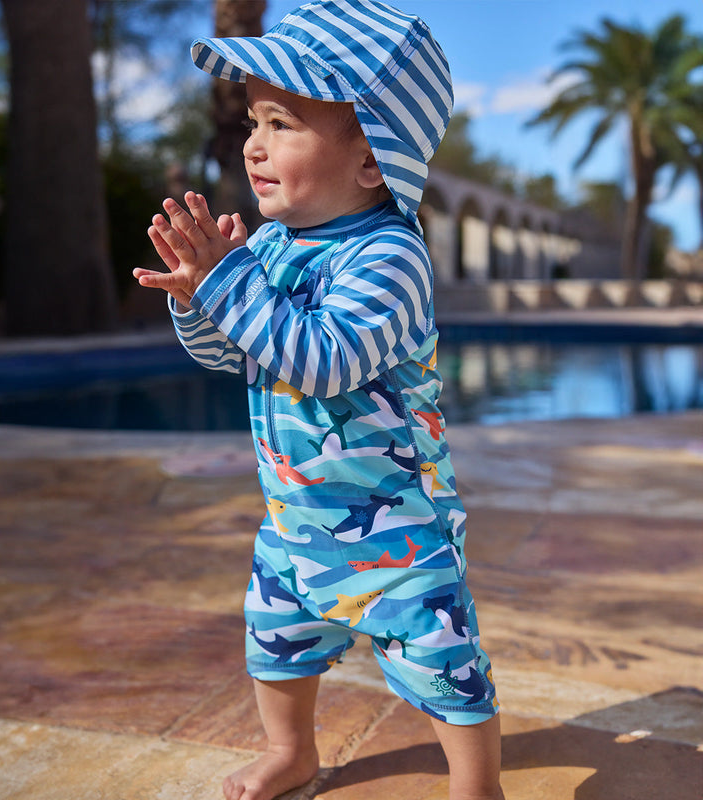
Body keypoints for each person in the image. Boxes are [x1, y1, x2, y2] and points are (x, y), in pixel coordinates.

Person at [133, 2, 504, 799]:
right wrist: (197, 298)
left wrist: (229, 283)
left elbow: (325, 361)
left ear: (372, 158)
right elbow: (233, 356)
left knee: (444, 663)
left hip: (396, 530)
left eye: (282, 123)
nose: (253, 143)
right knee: (274, 642)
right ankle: (292, 753)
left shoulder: (391, 257)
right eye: (253, 120)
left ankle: (478, 789)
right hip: (297, 520)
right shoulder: (269, 246)